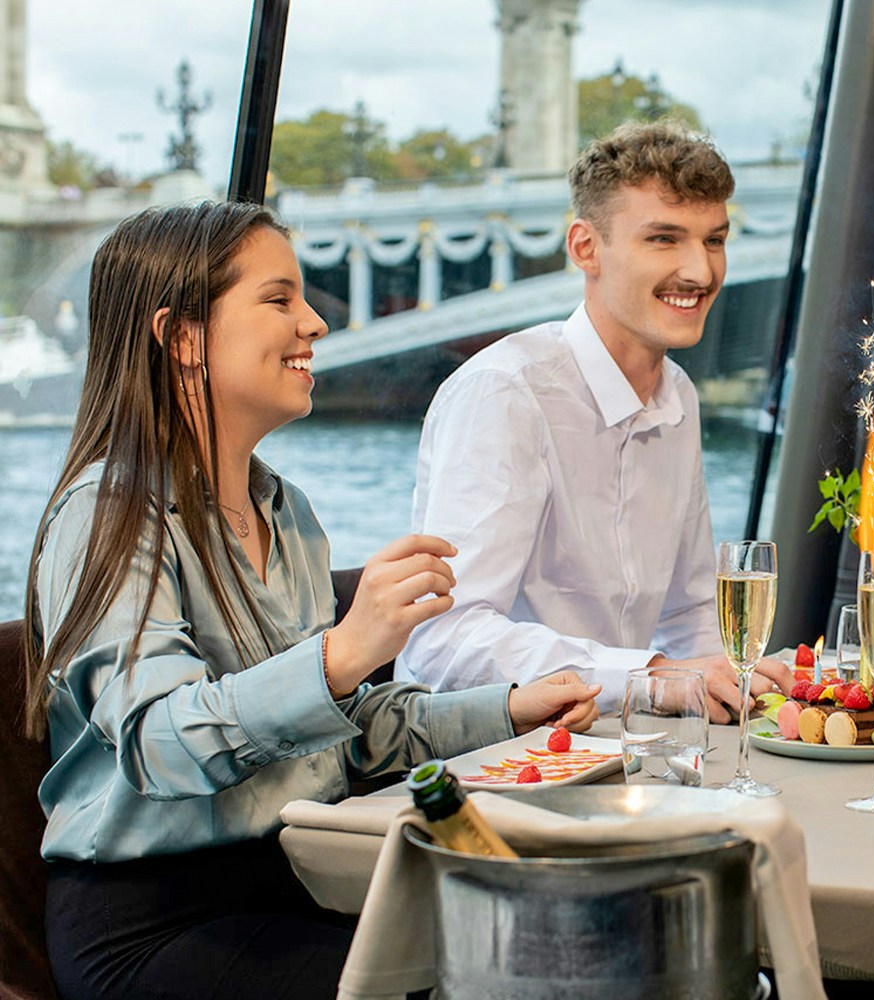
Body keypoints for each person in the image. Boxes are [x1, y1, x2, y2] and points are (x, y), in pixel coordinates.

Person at [23, 202, 602, 1000]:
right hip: (152, 924)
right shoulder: (108, 514)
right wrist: (339, 654)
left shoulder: (287, 512)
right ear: (182, 337)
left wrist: (508, 710)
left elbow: (342, 738)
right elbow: (158, 742)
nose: (317, 323)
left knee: (575, 946)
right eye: (279, 299)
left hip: (299, 877)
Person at [397, 121, 791, 723]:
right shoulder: (505, 394)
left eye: (714, 241)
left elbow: (687, 614)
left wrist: (741, 681)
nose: (701, 272)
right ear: (586, 248)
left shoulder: (677, 392)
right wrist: (652, 678)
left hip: (622, 749)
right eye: (664, 239)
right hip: (494, 761)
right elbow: (444, 642)